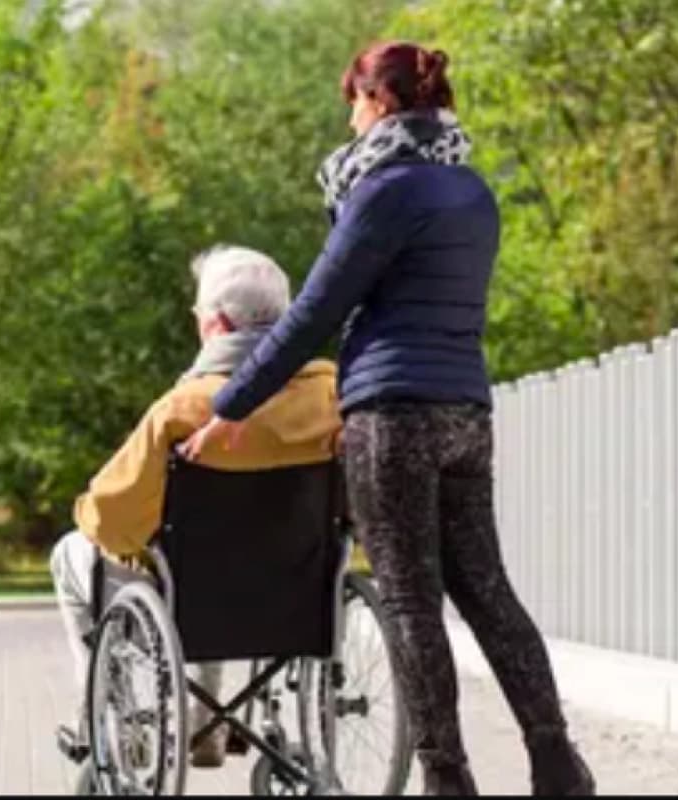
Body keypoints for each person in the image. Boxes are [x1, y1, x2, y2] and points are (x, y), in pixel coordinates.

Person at [181, 42, 595, 796]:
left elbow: (314, 312)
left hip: (392, 416)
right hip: (466, 412)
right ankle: (557, 762)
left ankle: (447, 777)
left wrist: (232, 404)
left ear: (379, 103)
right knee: (489, 590)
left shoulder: (384, 192)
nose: (348, 118)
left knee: (409, 598)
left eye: (354, 102)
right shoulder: (473, 192)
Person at [49, 245, 340, 769]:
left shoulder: (184, 410)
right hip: (294, 594)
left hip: (193, 593)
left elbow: (110, 516)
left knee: (74, 552)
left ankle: (105, 722)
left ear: (215, 325)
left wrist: (95, 518)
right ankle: (206, 726)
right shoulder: (333, 398)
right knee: (220, 565)